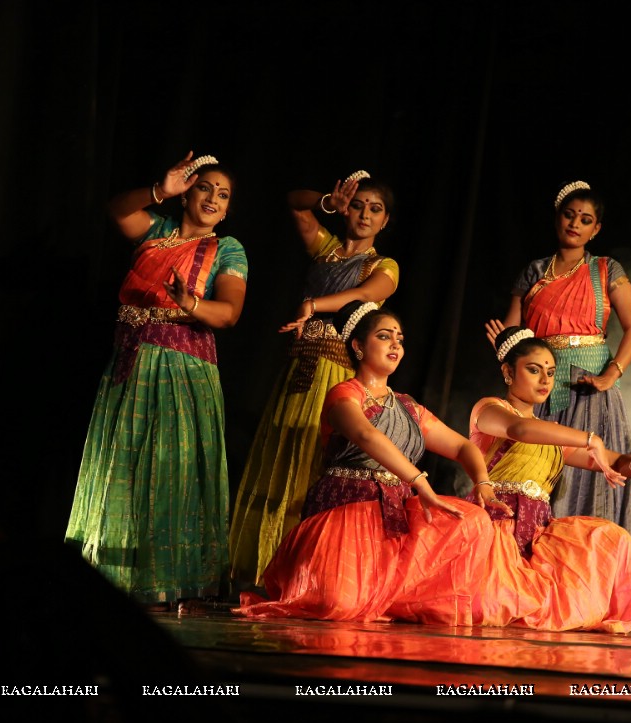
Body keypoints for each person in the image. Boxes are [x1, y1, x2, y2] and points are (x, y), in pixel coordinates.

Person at [234, 301, 509, 624]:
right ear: (358, 346)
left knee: (473, 520)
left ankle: (391, 599)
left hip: (395, 514)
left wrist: (483, 484)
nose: (396, 343)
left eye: (400, 338)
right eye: (384, 336)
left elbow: (464, 446)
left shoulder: (409, 408)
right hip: (347, 511)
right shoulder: (344, 394)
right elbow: (366, 435)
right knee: (339, 604)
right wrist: (419, 481)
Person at [66, 151, 247, 614]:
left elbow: (227, 314)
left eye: (222, 195)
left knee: (172, 471)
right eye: (204, 186)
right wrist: (157, 192)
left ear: (226, 211)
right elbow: (117, 210)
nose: (212, 198)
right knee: (123, 470)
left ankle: (170, 584)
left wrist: (189, 305)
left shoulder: (227, 249)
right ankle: (112, 580)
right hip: (129, 363)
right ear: (187, 191)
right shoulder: (157, 231)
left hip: (181, 367)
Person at [228, 170, 400, 590]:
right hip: (298, 370)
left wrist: (314, 304)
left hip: (338, 373)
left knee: (315, 466)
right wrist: (328, 200)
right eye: (358, 205)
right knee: (280, 456)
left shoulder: (384, 265)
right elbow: (293, 201)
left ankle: (307, 575)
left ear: (385, 221)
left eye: (374, 209)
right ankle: (261, 570)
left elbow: (365, 295)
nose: (363, 214)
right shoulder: (325, 250)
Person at [467, 326, 631, 632]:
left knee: (612, 539)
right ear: (508, 372)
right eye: (534, 370)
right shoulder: (491, 410)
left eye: (550, 371)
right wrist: (589, 438)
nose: (546, 380)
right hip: (497, 528)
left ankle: (608, 610)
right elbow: (519, 430)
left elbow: (613, 460)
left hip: (536, 534)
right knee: (502, 602)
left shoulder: (550, 433)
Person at [489, 180, 631, 530]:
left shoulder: (606, 270)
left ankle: (581, 570)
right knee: (538, 477)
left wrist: (611, 375)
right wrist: (505, 347)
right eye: (569, 215)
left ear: (596, 229)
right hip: (540, 391)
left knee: (588, 476)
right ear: (557, 218)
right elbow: (513, 337)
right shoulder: (534, 271)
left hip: (589, 392)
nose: (575, 224)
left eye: (585, 219)